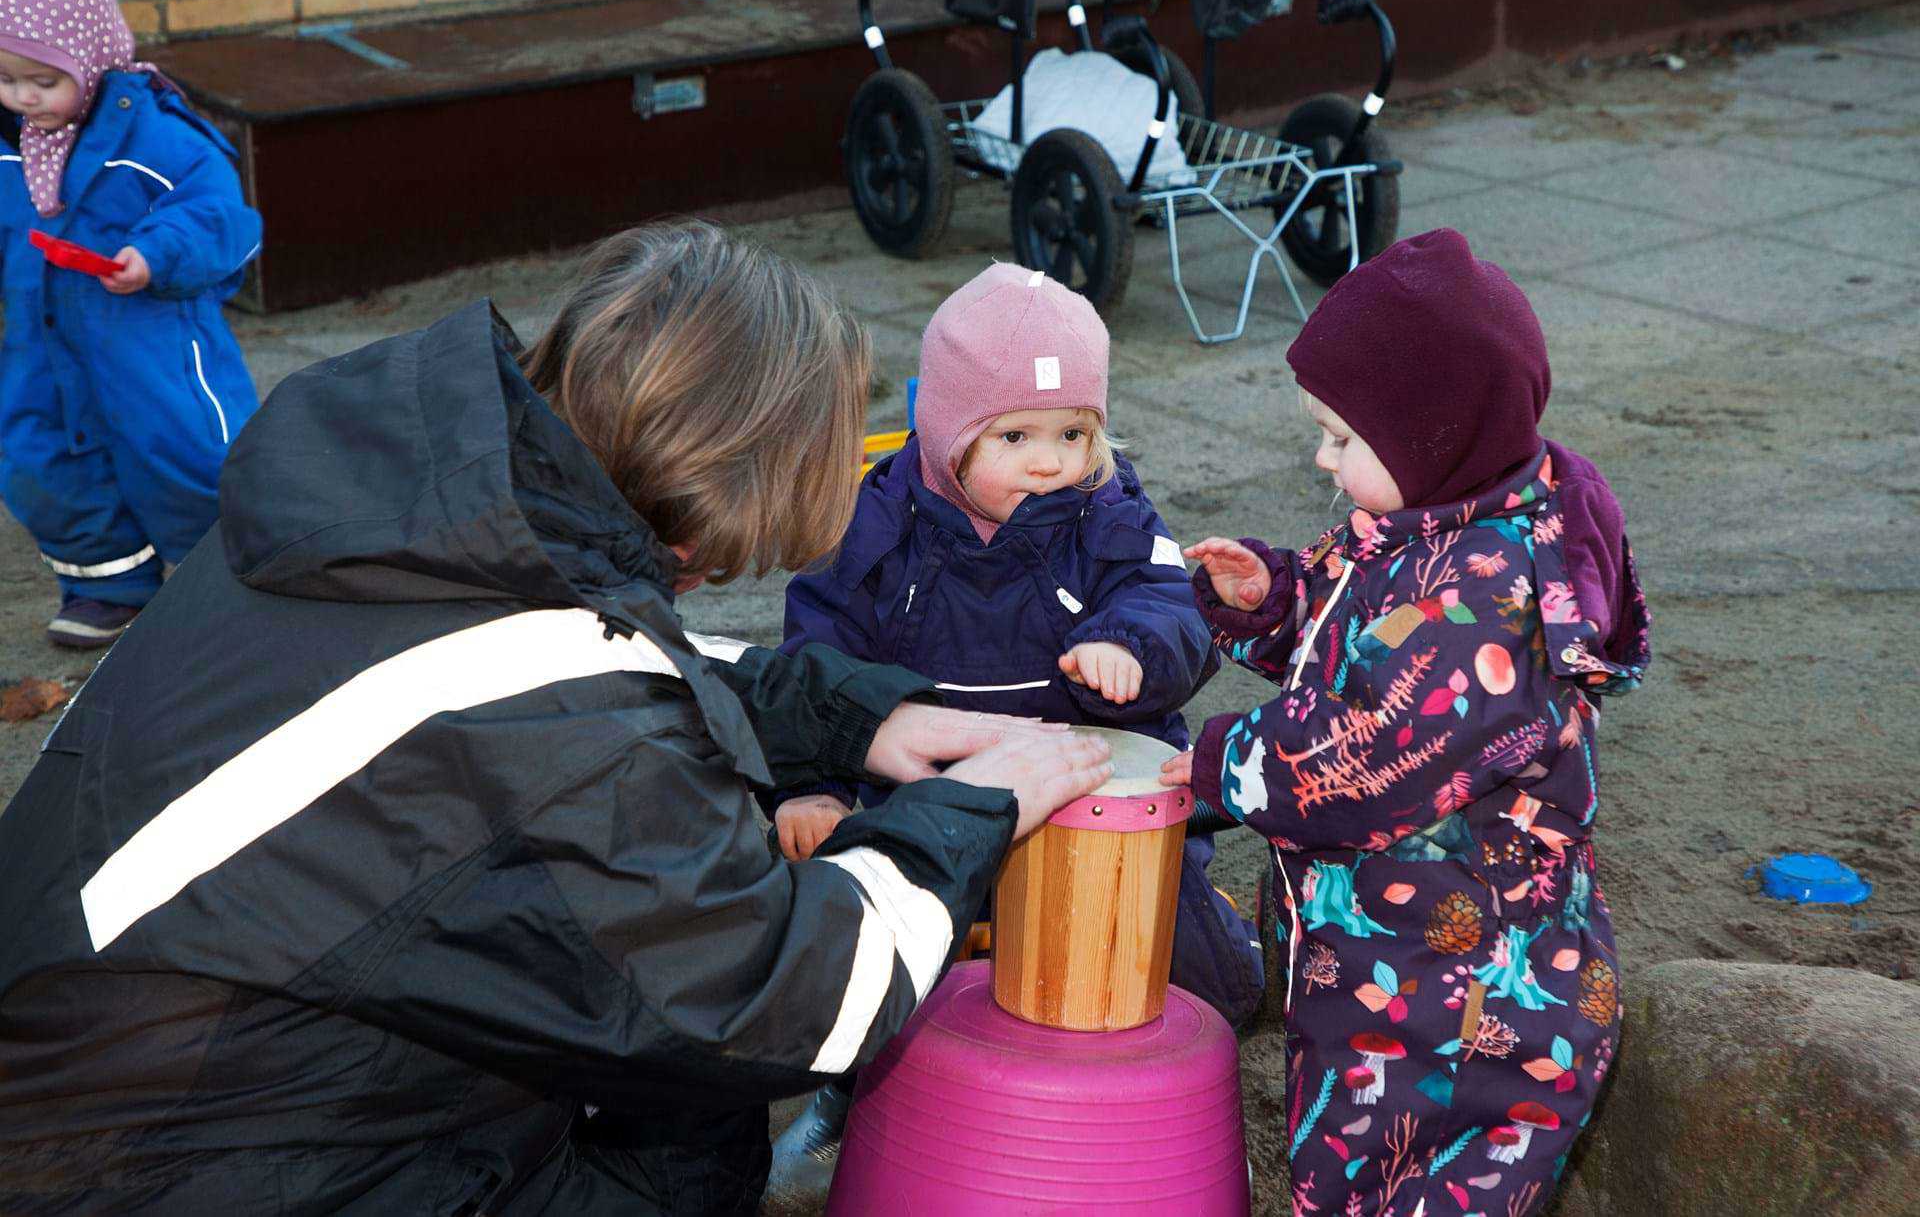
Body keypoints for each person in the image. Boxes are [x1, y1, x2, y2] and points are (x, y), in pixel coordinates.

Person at [0, 222, 1114, 1215]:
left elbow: (585, 670)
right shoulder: (562, 732)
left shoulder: (430, 509)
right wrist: (976, 809)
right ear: (757, 478)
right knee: (689, 1105)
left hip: (130, 1069)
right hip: (179, 1161)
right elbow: (788, 998)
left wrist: (850, 719)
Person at [1164, 229, 1650, 1216]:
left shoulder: (1488, 600)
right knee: (1345, 1171)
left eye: (1344, 439)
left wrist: (1211, 761)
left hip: (1473, 1018)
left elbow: (1367, 759)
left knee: (1400, 1186)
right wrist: (1272, 597)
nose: (1321, 457)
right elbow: (1358, 638)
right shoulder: (1421, 532)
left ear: (1434, 434)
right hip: (1391, 968)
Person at [763, 263, 1265, 1198]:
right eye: (1016, 436)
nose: (1051, 461)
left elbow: (1174, 607)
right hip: (927, 791)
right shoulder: (877, 522)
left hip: (1087, 782)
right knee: (882, 949)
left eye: (1074, 433)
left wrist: (1130, 646)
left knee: (1182, 959)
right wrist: (812, 782)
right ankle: (844, 1092)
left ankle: (1230, 989)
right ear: (949, 435)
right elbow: (814, 657)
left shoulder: (1108, 511)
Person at [0, 0, 261, 648]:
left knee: (187, 454)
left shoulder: (156, 137)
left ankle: (232, 573)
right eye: (6, 78)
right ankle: (107, 583)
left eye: (41, 80)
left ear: (86, 58)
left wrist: (154, 254)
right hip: (42, 346)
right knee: (44, 458)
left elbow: (222, 218)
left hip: (153, 347)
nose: (23, 97)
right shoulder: (10, 146)